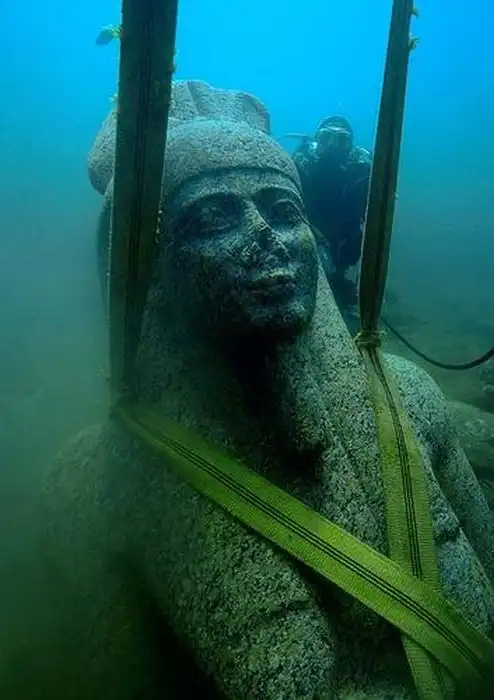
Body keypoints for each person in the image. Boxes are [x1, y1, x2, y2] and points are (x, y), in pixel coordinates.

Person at [23, 81, 493, 699]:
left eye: (283, 211)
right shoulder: (95, 484)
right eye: (213, 217)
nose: (265, 236)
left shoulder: (412, 399)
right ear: (150, 270)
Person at [292, 116, 372, 311]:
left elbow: (371, 210)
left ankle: (337, 277)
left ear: (350, 145)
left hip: (344, 230)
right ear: (317, 140)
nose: (332, 146)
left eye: (341, 141)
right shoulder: (304, 164)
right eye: (326, 137)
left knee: (349, 246)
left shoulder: (358, 170)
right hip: (311, 224)